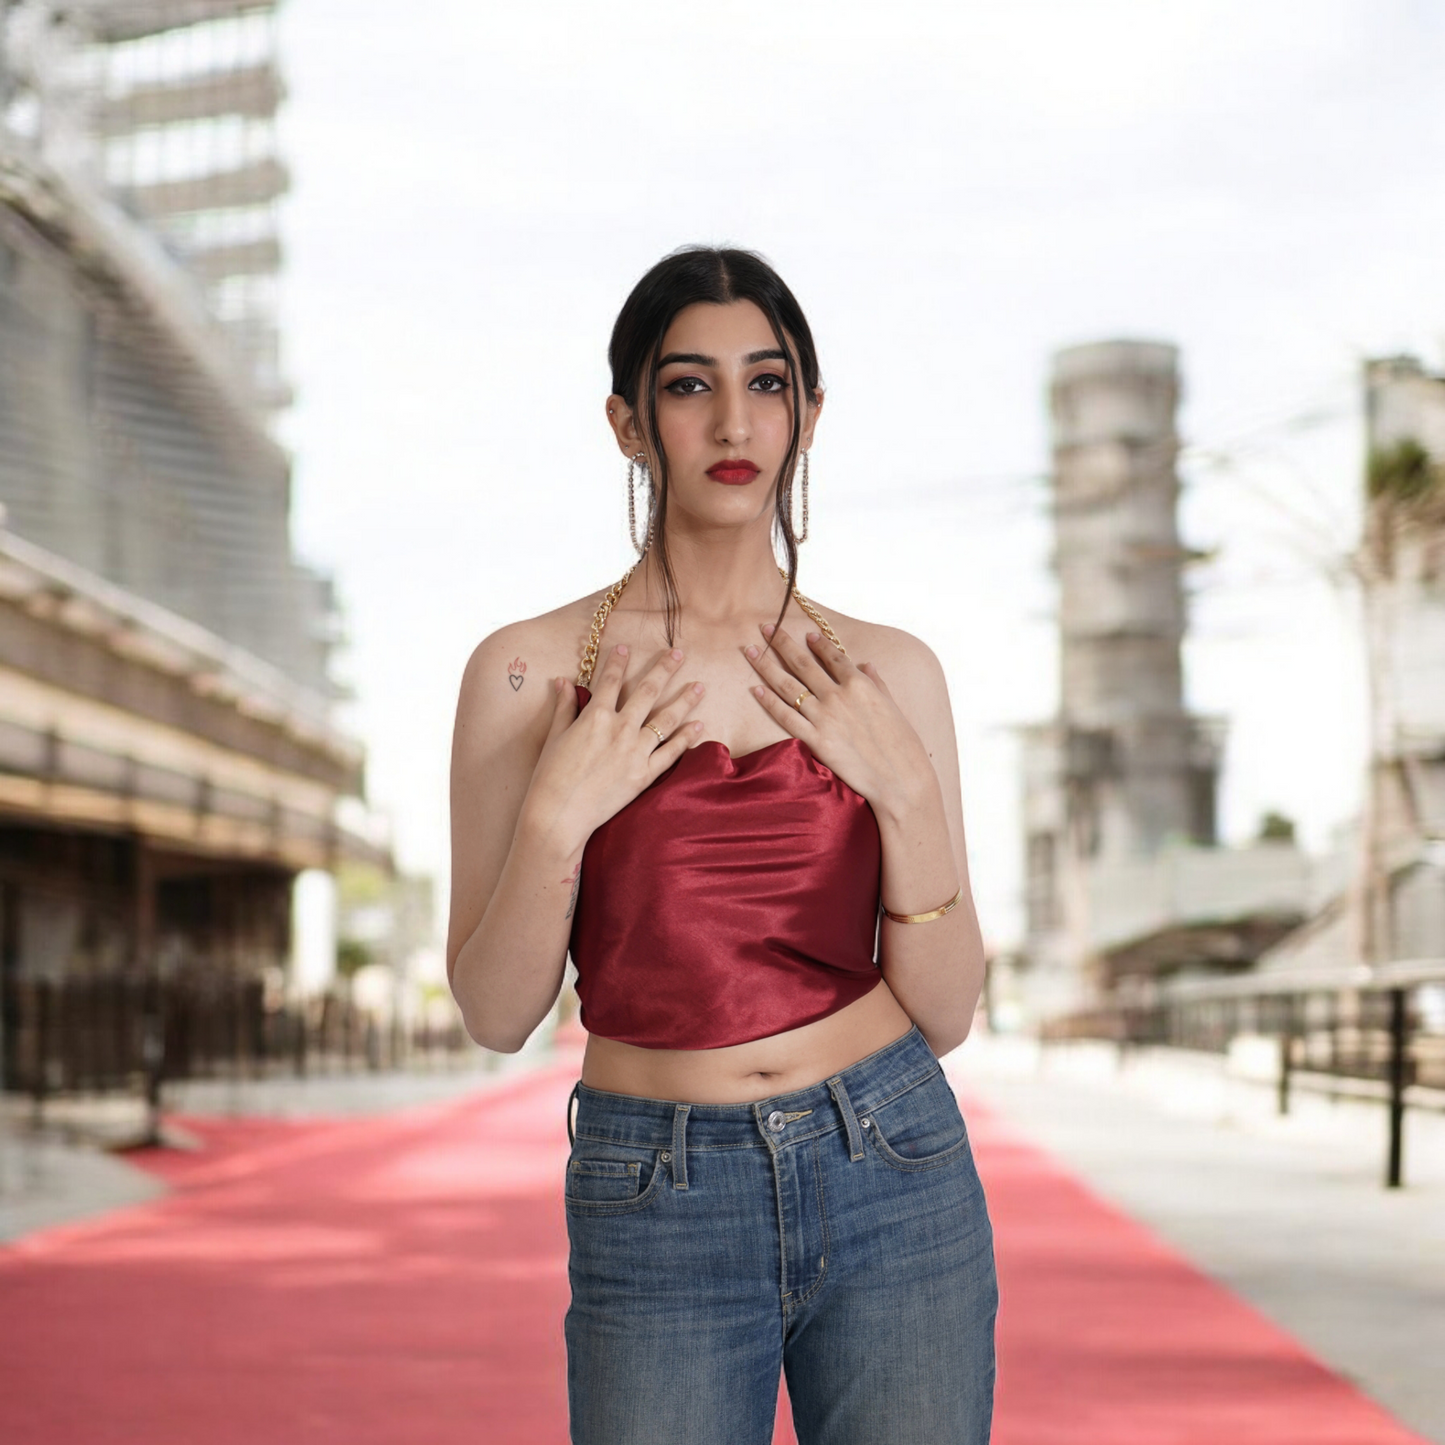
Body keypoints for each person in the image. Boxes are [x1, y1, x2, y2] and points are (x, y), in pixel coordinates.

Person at [447, 246, 997, 1445]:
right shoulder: (529, 670)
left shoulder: (887, 671)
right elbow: (496, 1010)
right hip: (657, 1187)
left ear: (806, 411)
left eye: (768, 381)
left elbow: (947, 1009)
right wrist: (556, 813)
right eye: (689, 385)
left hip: (895, 1159)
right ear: (628, 423)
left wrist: (902, 789)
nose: (733, 419)